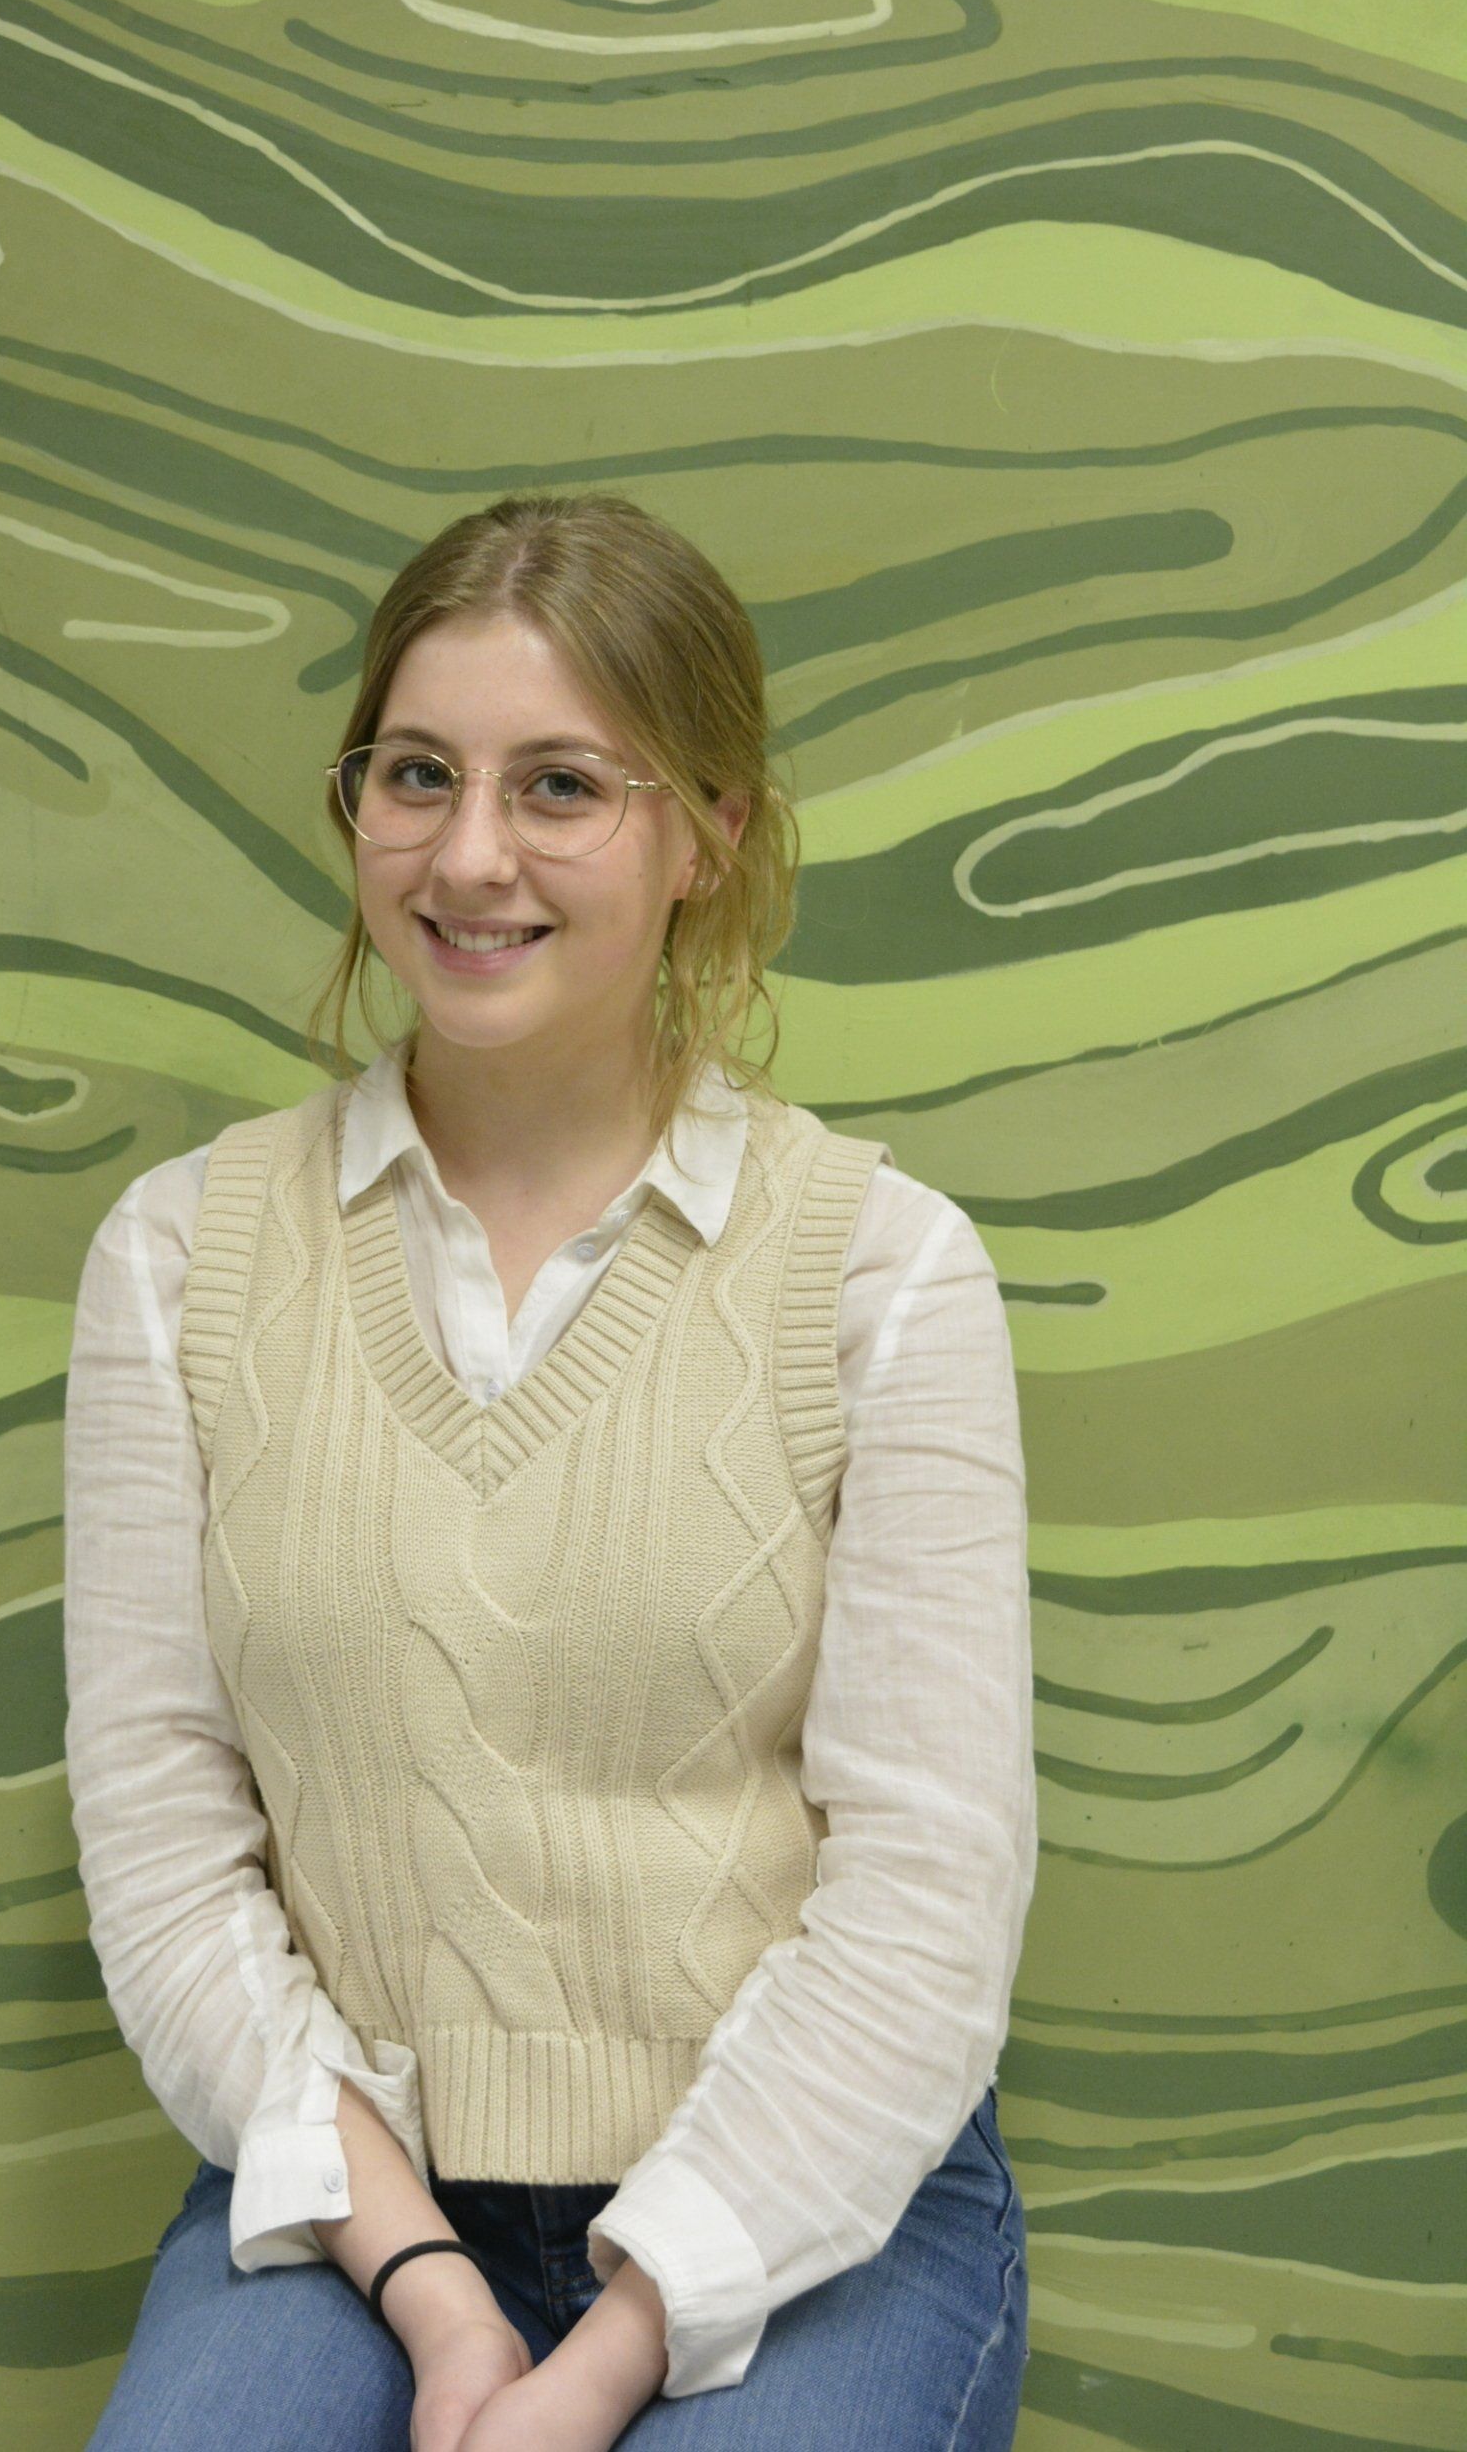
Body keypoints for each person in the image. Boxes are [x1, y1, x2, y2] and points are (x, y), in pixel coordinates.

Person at [63, 492, 1037, 2449]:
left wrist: (602, 2358)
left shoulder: (883, 1270)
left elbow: (929, 1895)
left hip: (808, 2207)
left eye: (562, 785)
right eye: (416, 774)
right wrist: (432, 2293)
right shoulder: (178, 1259)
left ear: (710, 835)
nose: (469, 854)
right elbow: (165, 1843)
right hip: (347, 2202)